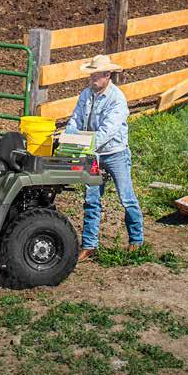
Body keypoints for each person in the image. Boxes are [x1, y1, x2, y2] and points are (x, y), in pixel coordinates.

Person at [65, 54, 144, 261]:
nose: (93, 79)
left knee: (126, 197)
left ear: (107, 75)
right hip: (93, 153)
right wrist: (71, 136)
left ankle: (136, 240)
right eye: (91, 75)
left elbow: (107, 131)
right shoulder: (86, 95)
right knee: (91, 199)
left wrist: (83, 146)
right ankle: (89, 245)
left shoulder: (117, 99)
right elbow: (76, 118)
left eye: (97, 76)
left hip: (114, 152)